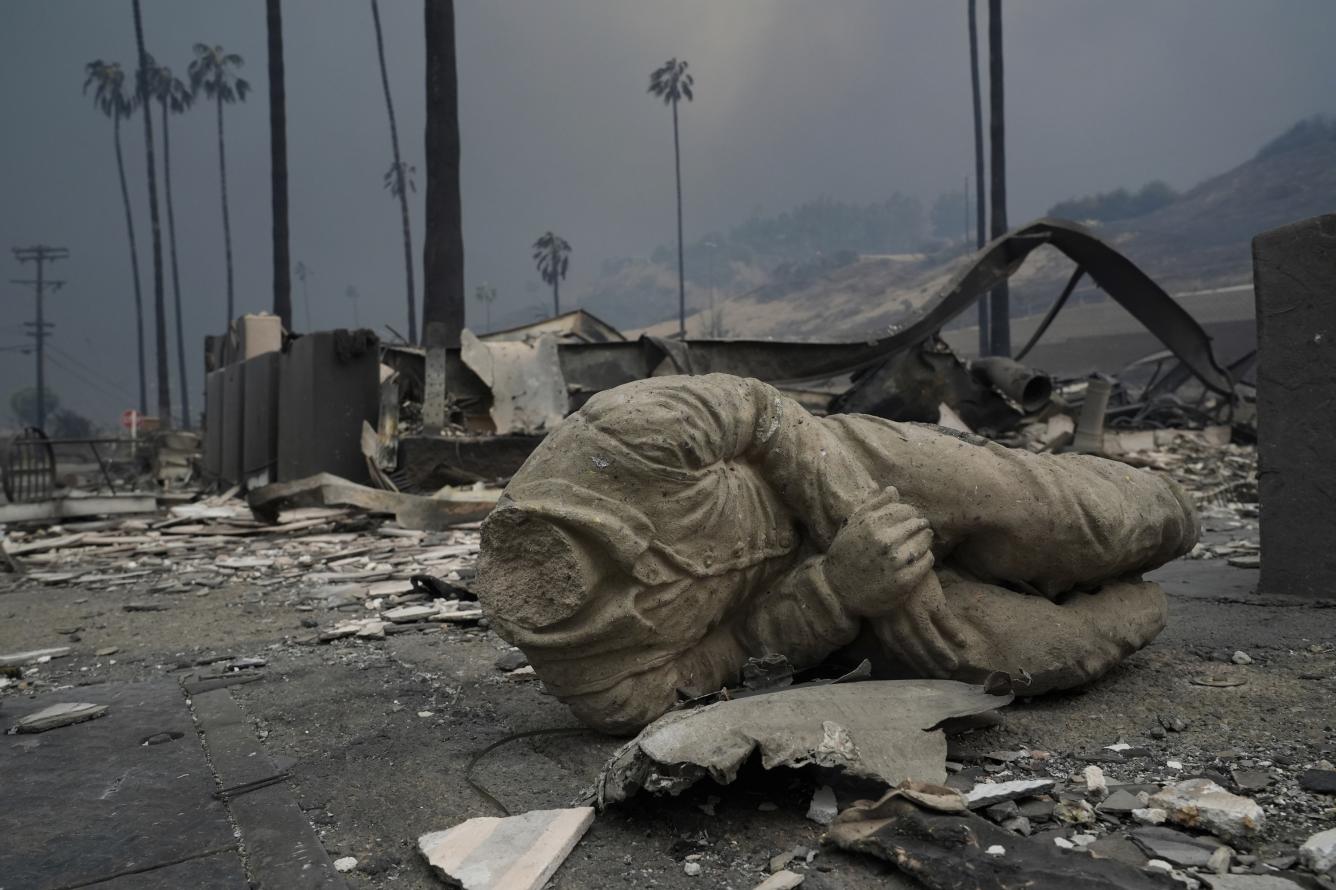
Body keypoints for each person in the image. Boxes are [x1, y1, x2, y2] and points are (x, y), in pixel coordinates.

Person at [477, 374, 1198, 734]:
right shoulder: (601, 688)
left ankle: (1176, 515)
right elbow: (732, 653)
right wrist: (842, 593)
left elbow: (765, 416)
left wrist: (875, 540)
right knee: (1031, 657)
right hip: (833, 606)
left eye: (607, 548)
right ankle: (1148, 602)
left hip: (847, 472)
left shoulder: (619, 437)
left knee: (1080, 525)